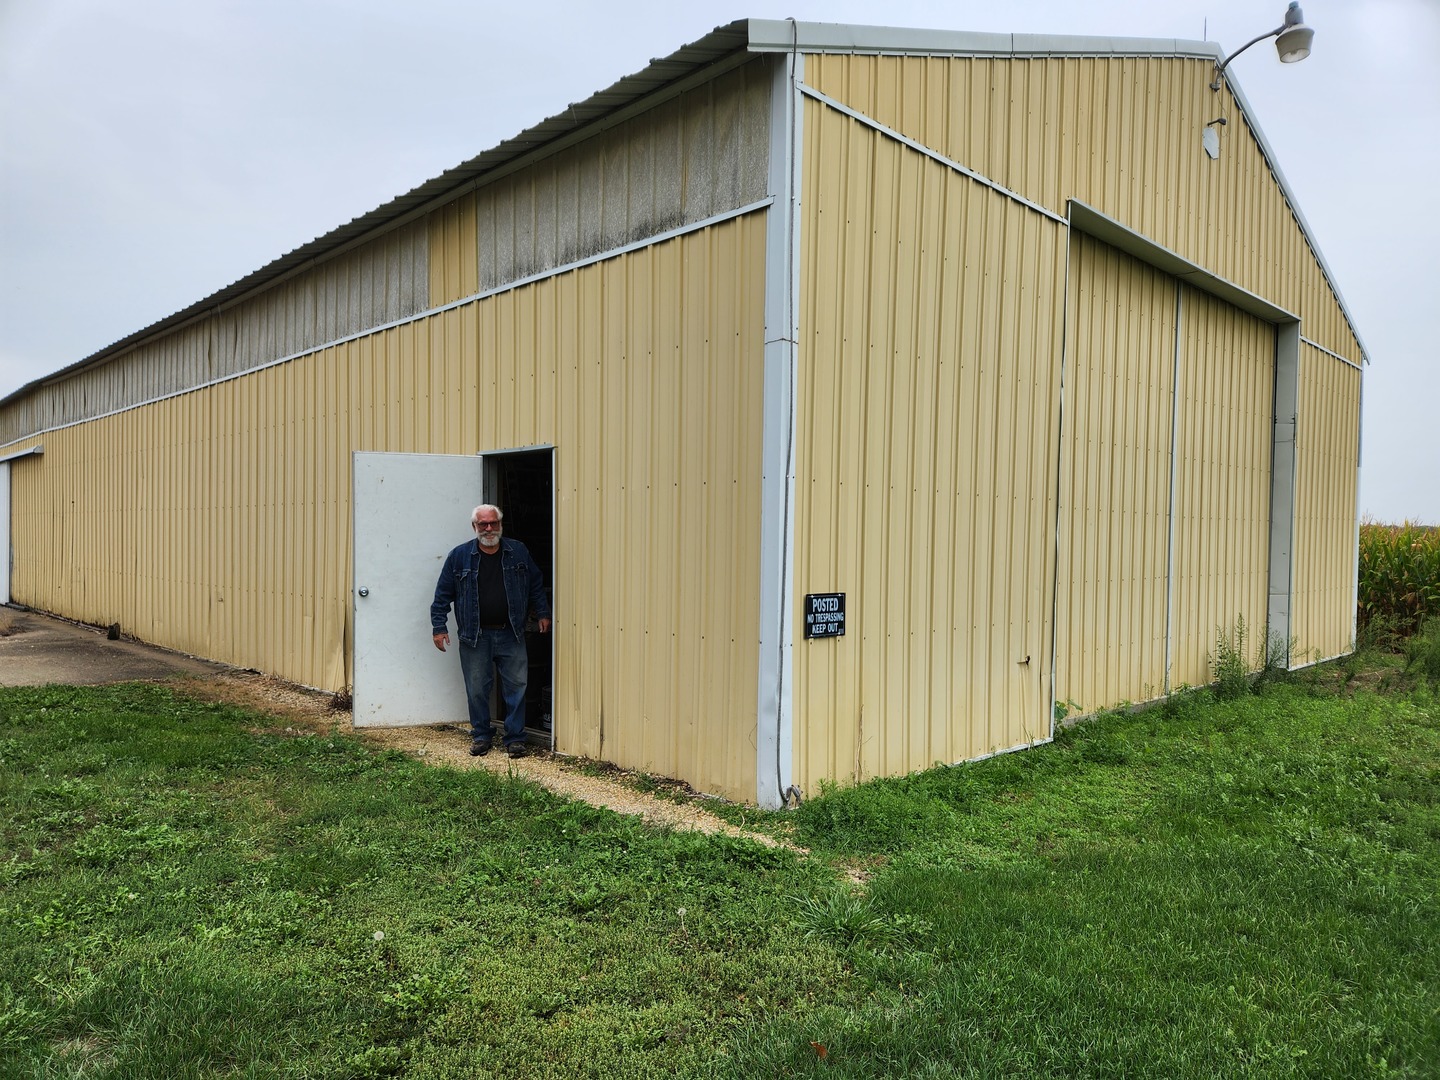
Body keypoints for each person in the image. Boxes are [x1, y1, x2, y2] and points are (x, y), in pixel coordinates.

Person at [431, 503, 551, 758]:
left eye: (493, 523)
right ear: (474, 527)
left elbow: (535, 583)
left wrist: (542, 612)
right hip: (475, 637)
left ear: (500, 525)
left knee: (517, 687)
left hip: (511, 634)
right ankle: (482, 735)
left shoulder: (517, 551)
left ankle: (515, 738)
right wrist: (439, 627)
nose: (488, 528)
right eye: (482, 524)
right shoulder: (459, 556)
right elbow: (442, 595)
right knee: (476, 688)